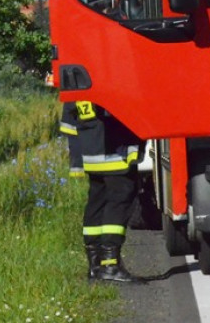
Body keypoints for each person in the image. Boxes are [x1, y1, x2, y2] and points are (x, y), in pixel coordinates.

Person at [73, 100, 143, 283]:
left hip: (92, 151)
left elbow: (69, 118)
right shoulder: (104, 82)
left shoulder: (78, 84)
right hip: (114, 150)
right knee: (119, 198)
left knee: (97, 201)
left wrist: (76, 160)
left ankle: (95, 265)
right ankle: (110, 264)